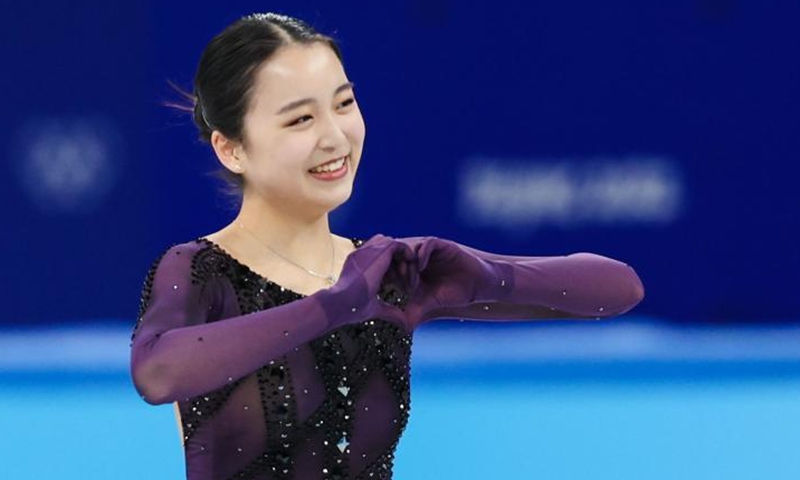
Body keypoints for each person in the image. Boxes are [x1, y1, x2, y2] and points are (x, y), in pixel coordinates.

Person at [130, 12, 645, 480]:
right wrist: (333, 306)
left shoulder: (386, 275)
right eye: (300, 119)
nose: (335, 136)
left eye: (344, 104)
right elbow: (157, 373)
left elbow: (618, 289)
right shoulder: (200, 270)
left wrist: (487, 274)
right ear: (232, 148)